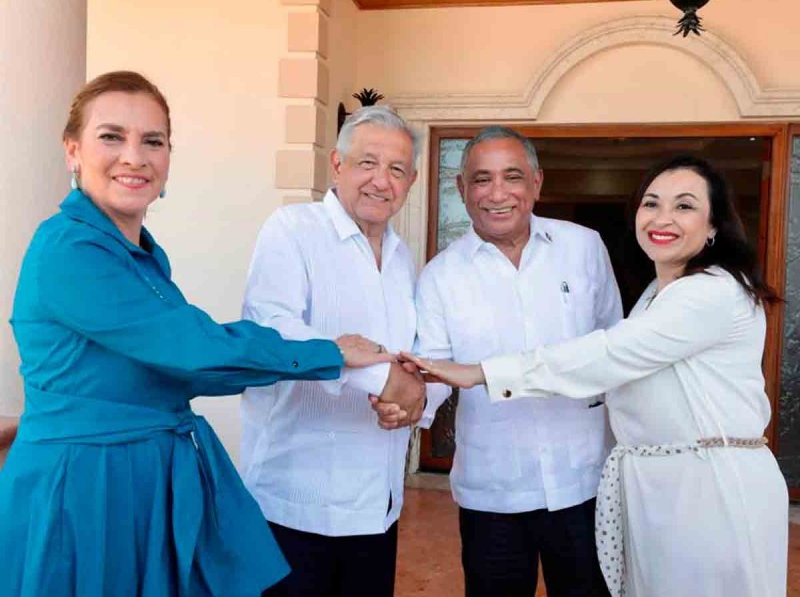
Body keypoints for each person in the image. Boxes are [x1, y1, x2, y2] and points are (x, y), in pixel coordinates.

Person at [0, 70, 391, 597]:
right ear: (73, 150)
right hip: (87, 488)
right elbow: (193, 351)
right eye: (111, 136)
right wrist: (329, 353)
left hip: (141, 477)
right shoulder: (67, 248)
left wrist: (325, 359)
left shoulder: (141, 254)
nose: (134, 157)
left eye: (152, 141)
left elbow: (183, 365)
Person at [404, 155, 789, 597]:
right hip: (639, 487)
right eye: (652, 204)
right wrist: (410, 401)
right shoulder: (657, 294)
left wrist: (481, 373)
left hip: (707, 487)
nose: (663, 218)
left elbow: (607, 353)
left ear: (714, 224)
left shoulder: (710, 291)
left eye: (684, 206)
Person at [378, 126, 622, 597]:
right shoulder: (440, 275)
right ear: (461, 188)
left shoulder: (584, 247)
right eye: (481, 179)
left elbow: (613, 348)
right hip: (493, 491)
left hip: (584, 480)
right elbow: (435, 370)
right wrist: (406, 405)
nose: (497, 194)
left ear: (537, 182)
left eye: (512, 177)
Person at [239, 105, 427, 597]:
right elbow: (272, 330)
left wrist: (410, 401)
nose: (381, 181)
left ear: (411, 181)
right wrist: (383, 380)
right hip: (296, 505)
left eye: (397, 169)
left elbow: (407, 356)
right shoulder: (293, 229)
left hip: (378, 506)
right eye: (368, 163)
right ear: (337, 165)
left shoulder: (403, 257)